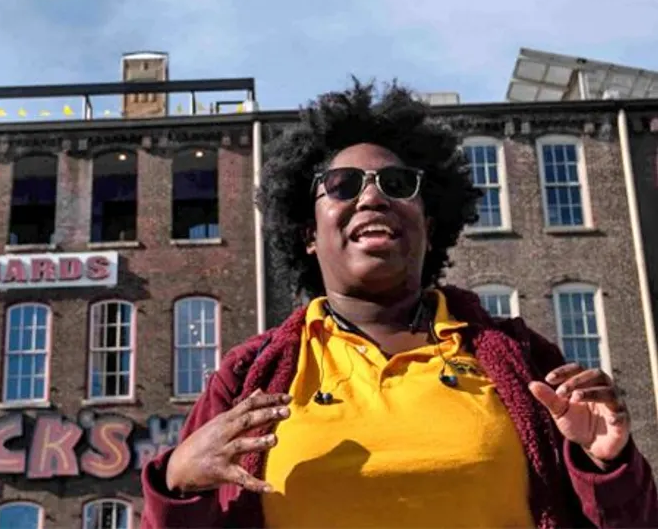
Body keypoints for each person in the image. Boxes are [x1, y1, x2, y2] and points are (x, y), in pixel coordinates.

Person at [142, 82, 658, 528]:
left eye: (397, 184)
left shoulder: (520, 359)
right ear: (307, 233)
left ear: (429, 227)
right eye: (342, 186)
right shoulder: (249, 376)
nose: (371, 198)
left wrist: (607, 466)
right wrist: (176, 486)